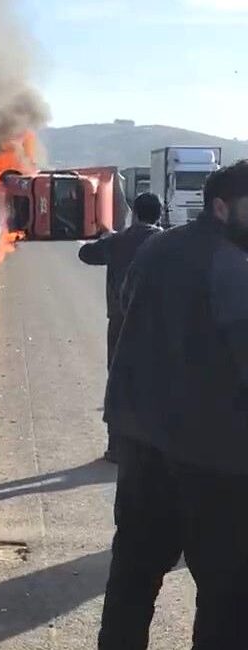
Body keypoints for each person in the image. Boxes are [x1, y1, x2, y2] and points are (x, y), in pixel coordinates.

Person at [99, 160, 248, 649]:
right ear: (222, 207)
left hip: (141, 438)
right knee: (226, 592)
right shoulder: (233, 266)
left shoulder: (157, 245)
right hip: (214, 457)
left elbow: (125, 305)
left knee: (133, 575)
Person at [78, 193, 162, 462]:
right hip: (158, 324)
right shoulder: (168, 241)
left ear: (134, 213)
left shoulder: (118, 241)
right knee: (156, 379)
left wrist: (106, 238)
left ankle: (117, 447)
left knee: (119, 381)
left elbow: (85, 254)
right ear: (159, 215)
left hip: (121, 321)